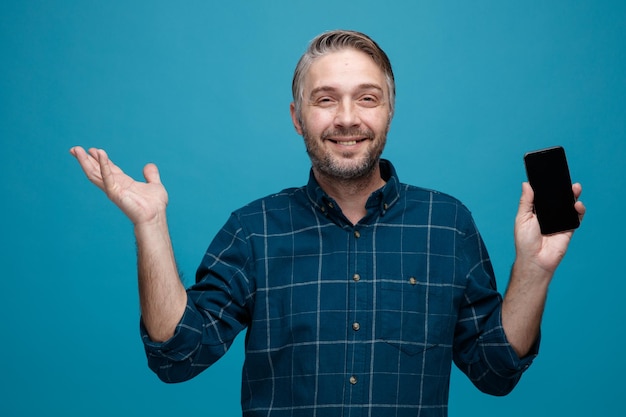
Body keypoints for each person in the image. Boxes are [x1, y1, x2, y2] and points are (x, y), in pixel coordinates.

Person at [70, 30, 585, 417]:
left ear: (388, 112)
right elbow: (178, 358)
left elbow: (495, 373)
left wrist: (534, 269)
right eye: (325, 99)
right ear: (297, 117)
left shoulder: (447, 224)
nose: (346, 117)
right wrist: (151, 225)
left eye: (366, 97)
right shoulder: (254, 229)